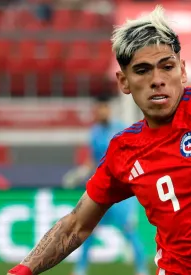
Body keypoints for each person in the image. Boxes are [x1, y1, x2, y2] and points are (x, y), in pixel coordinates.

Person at [7, 5, 191, 275]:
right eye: (142, 70)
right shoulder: (123, 149)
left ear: (183, 70)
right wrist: (22, 271)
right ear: (124, 81)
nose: (157, 79)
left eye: (167, 66)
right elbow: (76, 225)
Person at [62, 94, 148, 275]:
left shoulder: (120, 129)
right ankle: (80, 269)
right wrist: (79, 173)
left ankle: (142, 269)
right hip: (102, 190)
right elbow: (93, 160)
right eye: (99, 109)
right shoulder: (94, 132)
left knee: (129, 231)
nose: (102, 112)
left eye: (104, 108)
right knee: (87, 230)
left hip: (120, 192)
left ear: (108, 110)